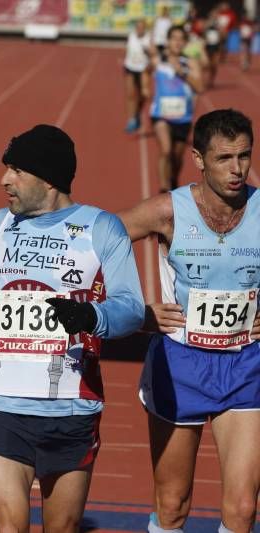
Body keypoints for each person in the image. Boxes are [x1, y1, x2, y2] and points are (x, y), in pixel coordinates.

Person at [0, 125, 145, 531]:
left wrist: (91, 316)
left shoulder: (102, 228)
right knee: (8, 525)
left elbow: (132, 310)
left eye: (15, 170)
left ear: (47, 179)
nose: (3, 180)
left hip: (71, 406)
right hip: (2, 403)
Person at [118, 108, 260, 533]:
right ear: (198, 159)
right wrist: (134, 311)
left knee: (242, 509)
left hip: (247, 364)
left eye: (245, 156)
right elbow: (98, 244)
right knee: (173, 504)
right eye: (223, 159)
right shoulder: (169, 210)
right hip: (181, 364)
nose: (237, 170)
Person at [149, 25, 204, 193]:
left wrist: (182, 72)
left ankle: (173, 180)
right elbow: (146, 71)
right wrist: (145, 86)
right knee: (166, 150)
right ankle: (164, 189)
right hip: (161, 115)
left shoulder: (190, 63)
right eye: (174, 38)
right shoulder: (158, 60)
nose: (178, 42)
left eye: (181, 39)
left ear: (185, 42)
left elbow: (200, 87)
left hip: (183, 117)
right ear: (168, 41)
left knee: (177, 157)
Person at [124, 18, 153, 134]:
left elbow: (153, 53)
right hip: (130, 67)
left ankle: (138, 112)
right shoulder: (131, 36)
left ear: (144, 28)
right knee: (131, 94)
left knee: (143, 95)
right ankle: (132, 120)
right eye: (138, 27)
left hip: (143, 70)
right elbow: (128, 50)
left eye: (142, 27)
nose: (139, 29)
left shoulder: (148, 39)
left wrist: (149, 52)